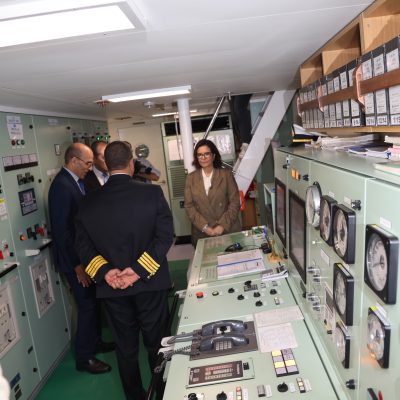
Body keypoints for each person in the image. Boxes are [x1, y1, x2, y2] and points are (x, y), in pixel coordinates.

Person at [75, 141, 174, 400]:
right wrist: (138, 271)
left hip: (113, 289)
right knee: (158, 345)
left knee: (126, 349)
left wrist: (106, 273)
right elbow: (165, 237)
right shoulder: (152, 194)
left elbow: (83, 247)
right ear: (131, 163)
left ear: (106, 165)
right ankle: (163, 393)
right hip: (150, 285)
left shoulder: (87, 202)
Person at [48, 143, 112, 374]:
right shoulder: (61, 187)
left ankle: (95, 343)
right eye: (87, 163)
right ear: (74, 160)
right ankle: (85, 358)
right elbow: (62, 232)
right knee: (86, 306)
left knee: (93, 303)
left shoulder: (76, 181)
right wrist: (77, 265)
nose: (90, 167)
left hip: (84, 256)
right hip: (74, 261)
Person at [184, 138, 241, 246]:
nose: (203, 158)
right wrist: (205, 227)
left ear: (213, 156)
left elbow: (235, 202)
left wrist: (222, 225)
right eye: (199, 155)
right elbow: (189, 206)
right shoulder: (190, 179)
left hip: (227, 229)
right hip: (203, 232)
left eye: (207, 154)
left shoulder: (226, 175)